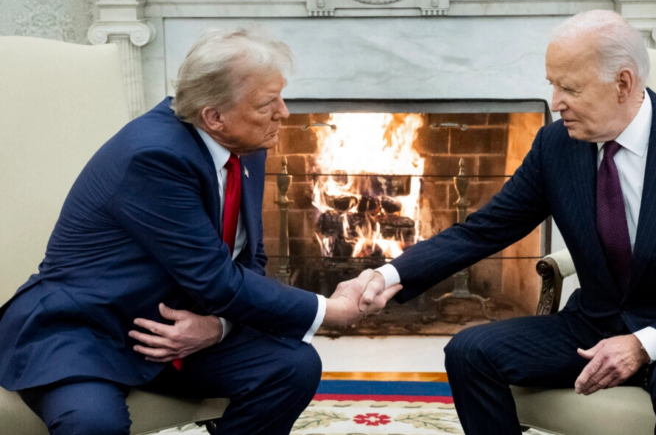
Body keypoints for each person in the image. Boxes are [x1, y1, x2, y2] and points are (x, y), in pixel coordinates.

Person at [351, 10, 656, 435]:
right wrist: (389, 275)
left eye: (569, 88)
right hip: (597, 322)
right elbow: (486, 229)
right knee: (469, 352)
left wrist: (643, 344)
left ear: (623, 83)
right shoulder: (556, 145)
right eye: (552, 84)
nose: (555, 102)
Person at [0, 29, 399, 435]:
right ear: (214, 117)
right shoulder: (155, 156)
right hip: (88, 331)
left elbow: (249, 258)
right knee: (94, 424)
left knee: (291, 366)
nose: (285, 112)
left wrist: (217, 327)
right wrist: (328, 311)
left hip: (175, 328)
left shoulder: (246, 144)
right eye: (267, 103)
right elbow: (216, 279)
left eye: (280, 95)